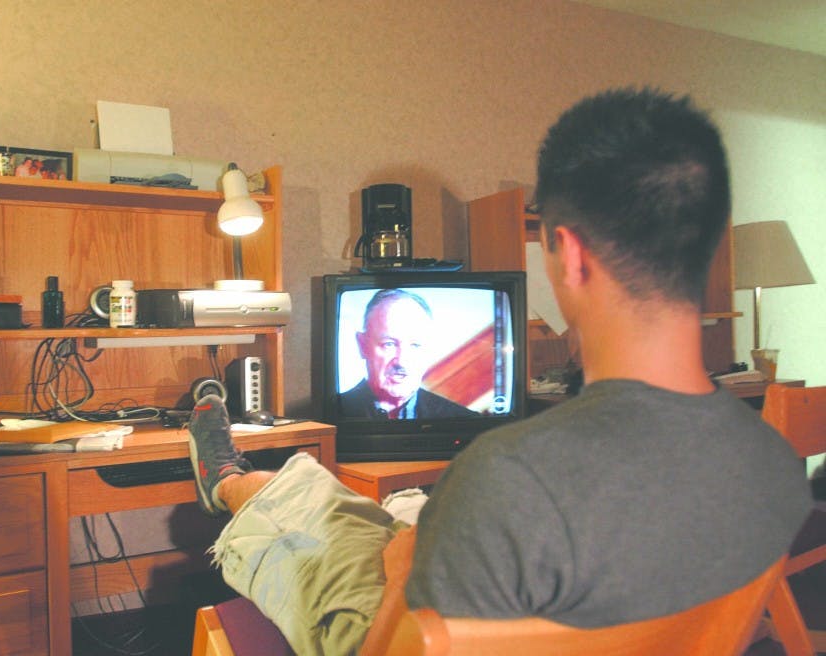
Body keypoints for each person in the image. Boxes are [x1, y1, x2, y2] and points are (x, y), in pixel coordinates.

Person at [186, 88, 812, 656]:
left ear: (566, 256)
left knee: (314, 513)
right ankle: (250, 482)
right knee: (378, 507)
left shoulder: (505, 474)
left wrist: (406, 568)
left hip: (413, 629)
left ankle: (230, 482)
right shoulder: (772, 466)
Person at [338, 288, 478, 418]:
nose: (401, 361)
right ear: (362, 345)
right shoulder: (333, 416)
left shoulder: (461, 417)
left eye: (415, 345)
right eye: (389, 344)